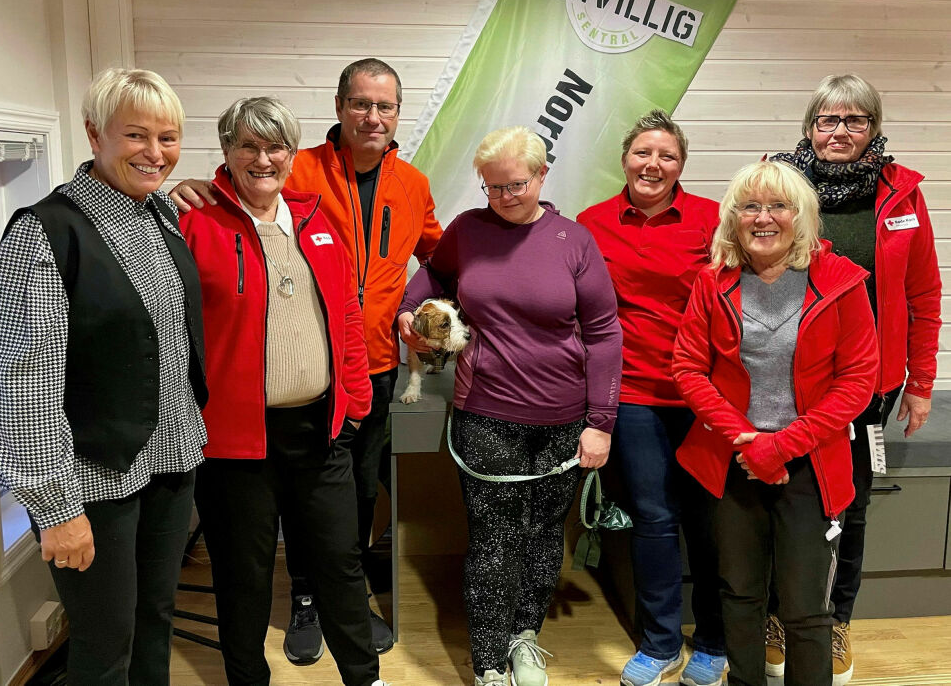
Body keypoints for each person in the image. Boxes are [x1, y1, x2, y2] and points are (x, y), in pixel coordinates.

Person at [171, 58, 441, 659]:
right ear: (340, 107)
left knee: (353, 503)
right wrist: (188, 189)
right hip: (291, 381)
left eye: (386, 106)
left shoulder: (414, 183)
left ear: (398, 114)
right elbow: (242, 204)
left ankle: (340, 598)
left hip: (370, 369)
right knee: (282, 509)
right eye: (362, 104)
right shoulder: (301, 171)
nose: (373, 116)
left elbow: (437, 255)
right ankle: (304, 602)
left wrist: (416, 309)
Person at [0, 68, 208, 684]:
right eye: (136, 135)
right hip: (92, 479)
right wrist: (55, 508)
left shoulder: (157, 216)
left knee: (154, 623)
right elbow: (20, 383)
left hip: (169, 463)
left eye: (168, 137)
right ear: (94, 133)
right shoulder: (45, 232)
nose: (155, 153)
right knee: (106, 645)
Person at [397, 126, 622, 686]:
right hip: (487, 412)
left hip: (564, 419)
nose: (502, 198)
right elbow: (433, 273)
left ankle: (525, 637)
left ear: (543, 176)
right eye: (491, 188)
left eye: (514, 186)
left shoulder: (574, 240)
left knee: (545, 533)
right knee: (494, 538)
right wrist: (409, 308)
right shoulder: (469, 231)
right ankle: (490, 662)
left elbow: (604, 334)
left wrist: (601, 424)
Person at [672, 160, 879, 686]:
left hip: (811, 463)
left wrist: (782, 446)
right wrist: (746, 439)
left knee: (806, 606)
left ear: (801, 215)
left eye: (778, 206)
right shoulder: (711, 281)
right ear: (733, 217)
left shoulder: (842, 282)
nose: (764, 218)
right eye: (750, 206)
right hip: (732, 460)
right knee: (739, 594)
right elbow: (688, 368)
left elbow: (858, 380)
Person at [765, 74, 942, 684]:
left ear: (874, 128)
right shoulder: (777, 184)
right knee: (780, 496)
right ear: (809, 128)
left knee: (852, 505)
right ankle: (775, 616)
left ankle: (837, 620)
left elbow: (923, 293)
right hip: (782, 377)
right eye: (827, 120)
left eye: (854, 121)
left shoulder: (902, 196)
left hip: (869, 383)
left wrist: (920, 382)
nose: (839, 132)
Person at [577, 110, 726, 686]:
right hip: (634, 392)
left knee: (710, 521)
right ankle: (661, 642)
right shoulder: (593, 224)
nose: (653, 164)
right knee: (655, 518)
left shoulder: (714, 221)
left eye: (667, 155)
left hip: (705, 395)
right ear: (625, 160)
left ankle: (713, 640)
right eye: (643, 153)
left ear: (681, 166)